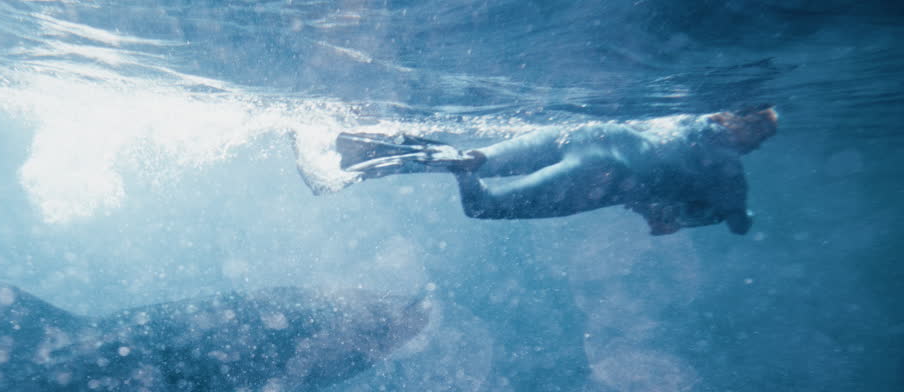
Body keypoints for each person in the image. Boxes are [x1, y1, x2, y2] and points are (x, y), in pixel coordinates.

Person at [317, 108, 778, 235]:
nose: (756, 145)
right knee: (483, 205)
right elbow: (738, 224)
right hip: (602, 175)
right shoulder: (728, 172)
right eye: (760, 139)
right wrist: (745, 217)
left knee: (481, 157)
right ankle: (361, 165)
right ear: (752, 137)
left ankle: (355, 146)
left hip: (588, 133)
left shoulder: (678, 118)